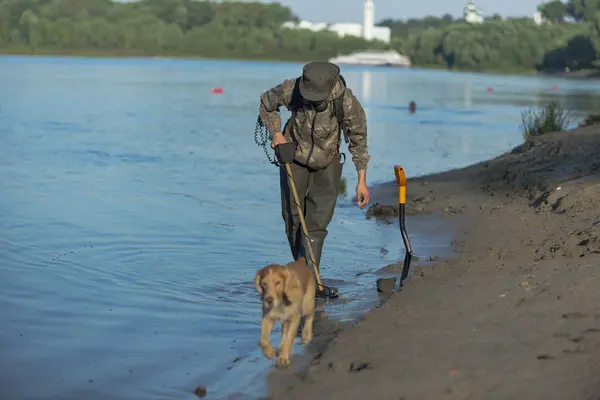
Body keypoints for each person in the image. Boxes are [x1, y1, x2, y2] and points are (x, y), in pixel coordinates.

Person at [258, 61, 370, 295]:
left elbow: (358, 139)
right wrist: (277, 134)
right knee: (292, 219)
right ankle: (303, 272)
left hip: (327, 163)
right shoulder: (292, 89)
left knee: (316, 225)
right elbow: (266, 104)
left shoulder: (346, 101)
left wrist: (361, 180)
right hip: (293, 159)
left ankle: (306, 281)